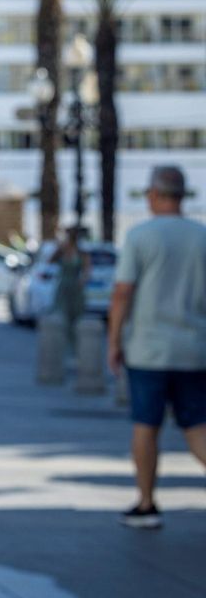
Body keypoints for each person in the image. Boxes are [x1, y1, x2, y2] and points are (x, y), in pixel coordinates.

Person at [107, 165, 206, 529]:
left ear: (154, 194)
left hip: (149, 349)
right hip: (196, 347)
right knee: (197, 427)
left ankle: (147, 503)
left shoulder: (140, 236)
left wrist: (114, 341)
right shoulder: (202, 236)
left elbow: (122, 292)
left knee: (146, 425)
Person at [51, 227, 88, 334]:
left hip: (75, 286)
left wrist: (82, 281)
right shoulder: (62, 251)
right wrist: (60, 248)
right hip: (63, 285)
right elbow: (50, 260)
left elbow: (87, 270)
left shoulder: (82, 253)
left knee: (76, 314)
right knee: (61, 312)